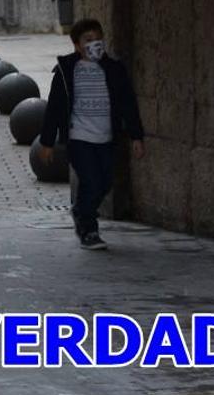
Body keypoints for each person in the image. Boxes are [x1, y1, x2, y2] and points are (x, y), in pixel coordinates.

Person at [39, 18, 147, 250]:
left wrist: (136, 136)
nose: (95, 44)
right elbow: (55, 108)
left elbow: (128, 104)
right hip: (80, 138)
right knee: (91, 180)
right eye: (88, 40)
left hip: (106, 138)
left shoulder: (114, 70)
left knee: (105, 182)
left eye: (98, 39)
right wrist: (47, 142)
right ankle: (88, 228)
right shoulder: (67, 72)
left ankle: (80, 209)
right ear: (77, 45)